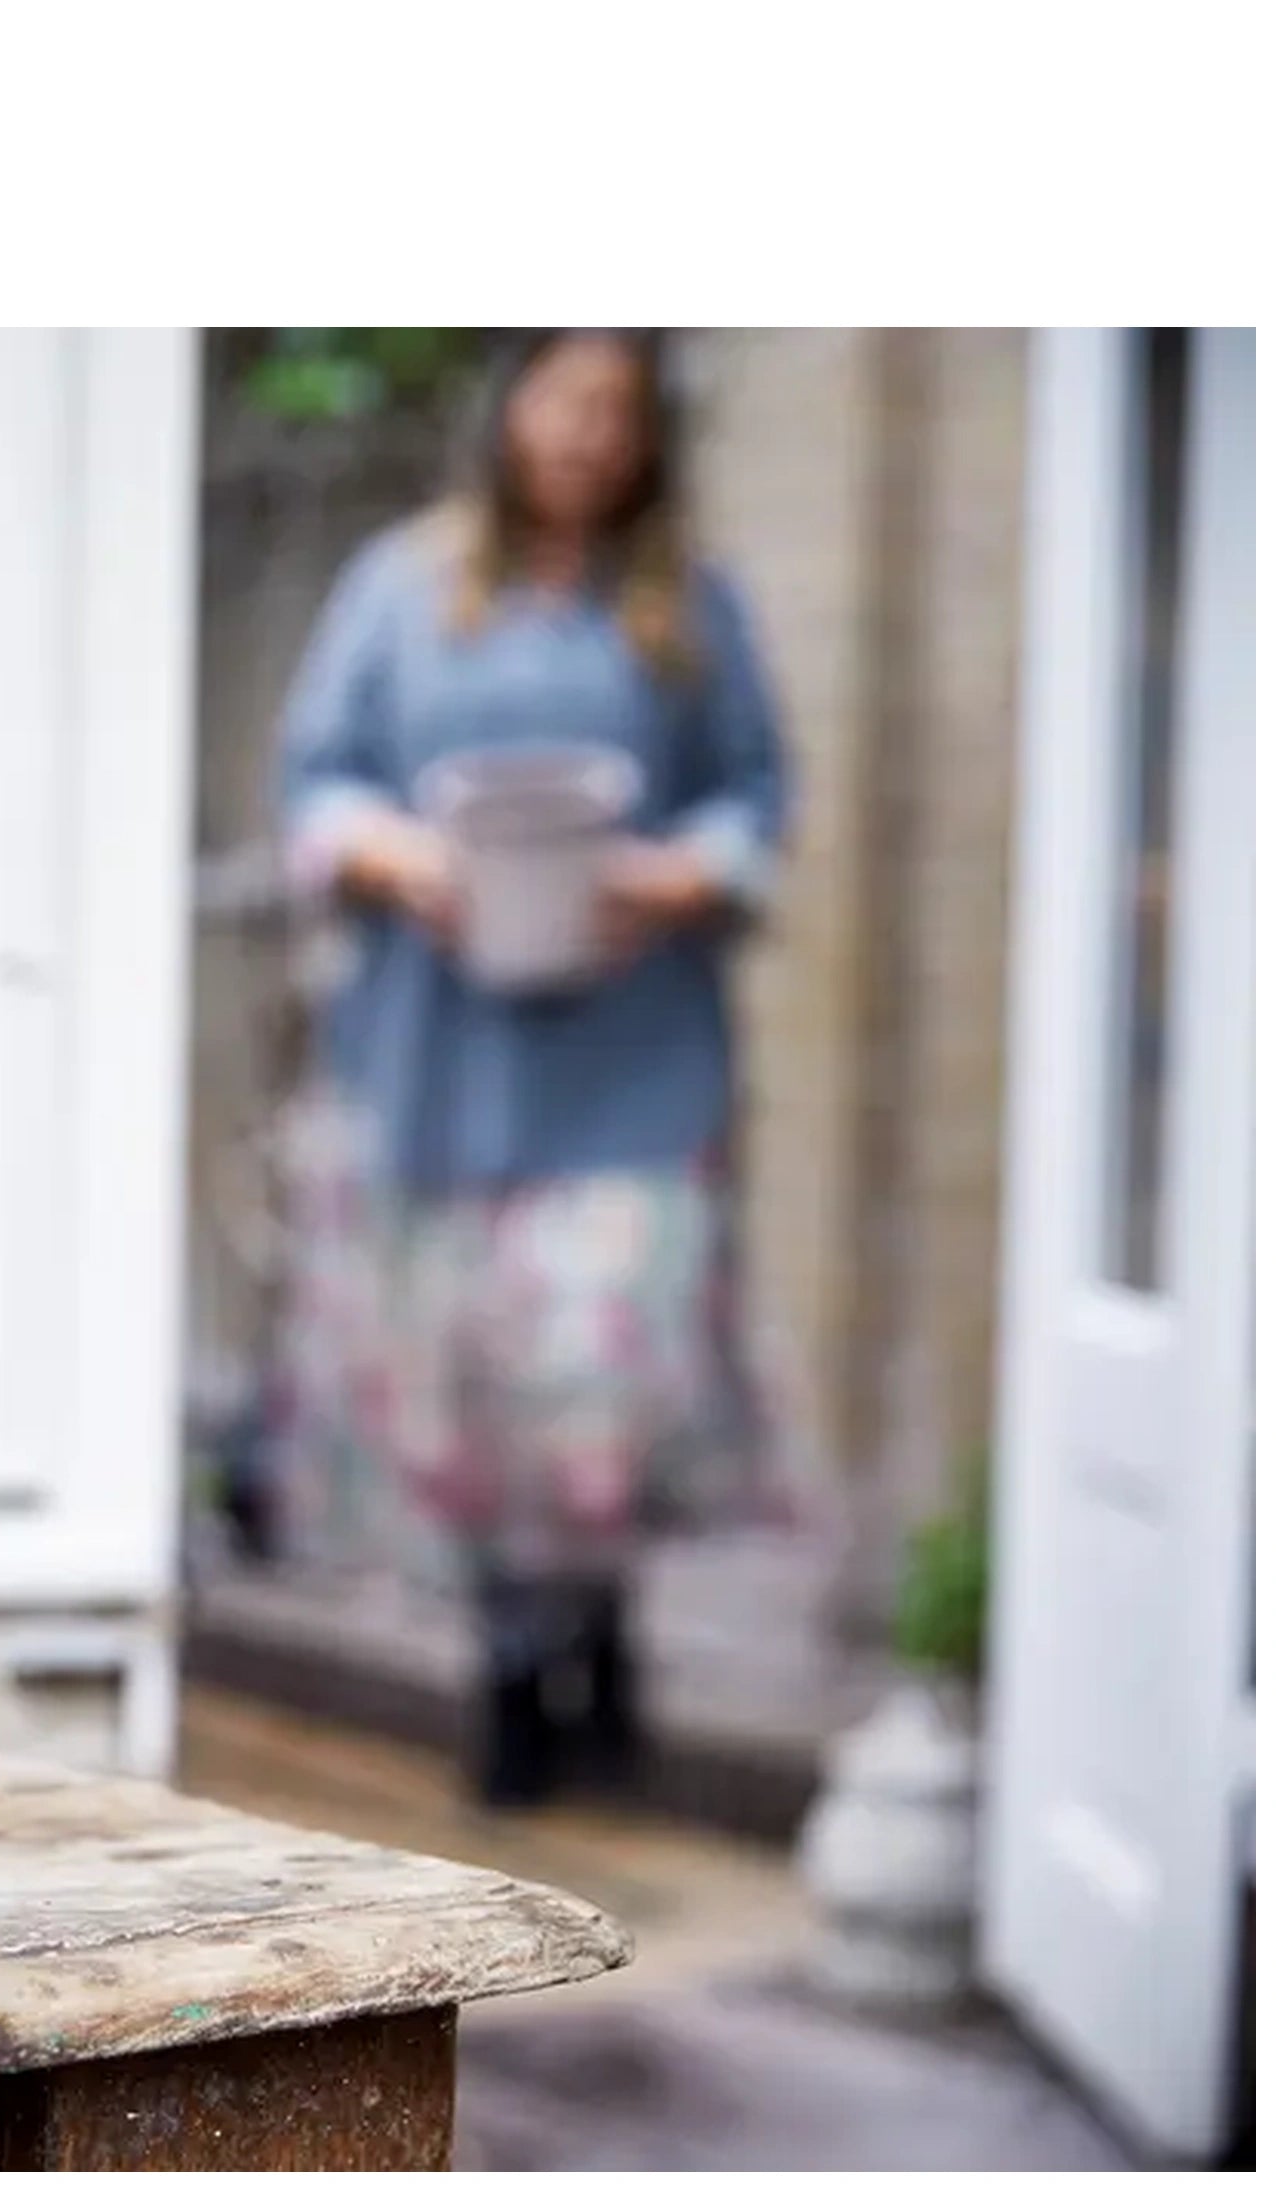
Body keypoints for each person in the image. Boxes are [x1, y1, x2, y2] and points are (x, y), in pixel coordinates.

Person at [273, 328, 794, 1807]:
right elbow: (314, 780)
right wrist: (402, 859)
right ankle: (513, 1662)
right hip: (442, 1059)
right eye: (567, 403)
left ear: (647, 439)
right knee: (475, 1378)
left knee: (599, 1373)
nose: (588, 437)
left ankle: (599, 1627)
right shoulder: (399, 586)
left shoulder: (691, 606)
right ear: (512, 416)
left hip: (630, 1068)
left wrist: (665, 879)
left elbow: (760, 798)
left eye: (617, 413)